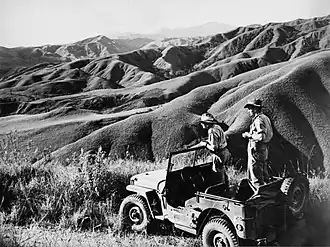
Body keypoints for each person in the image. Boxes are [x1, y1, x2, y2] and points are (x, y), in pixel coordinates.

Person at [242, 99, 273, 188]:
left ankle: (259, 198)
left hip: (257, 150)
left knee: (256, 176)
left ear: (255, 109)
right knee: (264, 174)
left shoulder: (258, 120)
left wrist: (249, 136)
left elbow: (261, 137)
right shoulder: (265, 118)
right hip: (263, 149)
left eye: (250, 109)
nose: (248, 111)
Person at [200, 112, 232, 185]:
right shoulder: (217, 127)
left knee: (218, 174)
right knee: (223, 171)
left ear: (206, 123)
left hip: (219, 154)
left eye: (202, 123)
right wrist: (209, 141)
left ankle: (221, 190)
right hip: (225, 151)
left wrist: (205, 144)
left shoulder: (211, 131)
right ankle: (227, 187)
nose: (202, 125)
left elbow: (214, 148)